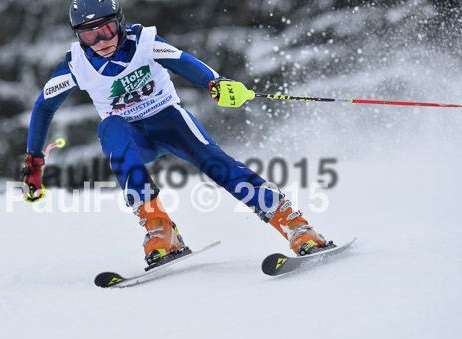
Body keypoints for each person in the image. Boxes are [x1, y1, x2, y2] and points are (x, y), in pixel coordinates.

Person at [21, 0, 334, 268]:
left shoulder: (143, 41)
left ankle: (295, 225)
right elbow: (44, 107)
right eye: (89, 34)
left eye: (106, 29)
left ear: (120, 23)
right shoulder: (76, 64)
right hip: (133, 138)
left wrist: (216, 82)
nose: (100, 40)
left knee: (217, 164)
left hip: (169, 123)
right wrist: (34, 163)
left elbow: (183, 62)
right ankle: (160, 228)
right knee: (110, 127)